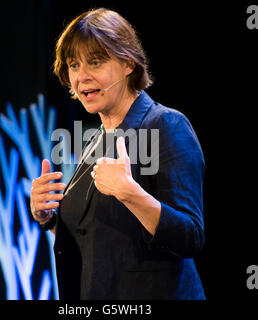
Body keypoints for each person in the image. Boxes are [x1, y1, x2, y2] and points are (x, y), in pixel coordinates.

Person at [30, 8, 206, 300]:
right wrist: (47, 217)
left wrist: (130, 193)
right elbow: (96, 241)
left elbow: (190, 237)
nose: (82, 76)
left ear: (128, 63)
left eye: (95, 62)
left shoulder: (166, 124)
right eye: (74, 65)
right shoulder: (95, 141)